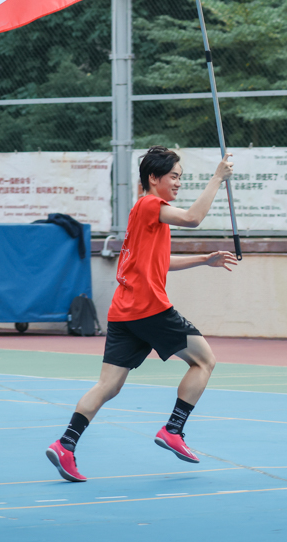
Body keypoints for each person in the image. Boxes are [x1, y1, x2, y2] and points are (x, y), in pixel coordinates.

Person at [46, 146, 237, 482]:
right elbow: (193, 218)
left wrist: (204, 260)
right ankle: (173, 429)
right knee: (205, 361)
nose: (178, 183)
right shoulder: (150, 205)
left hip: (124, 312)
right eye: (173, 176)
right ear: (153, 177)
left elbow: (161, 263)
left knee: (108, 386)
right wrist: (217, 179)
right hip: (149, 309)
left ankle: (65, 444)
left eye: (180, 177)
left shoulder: (145, 214)